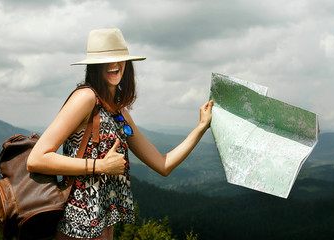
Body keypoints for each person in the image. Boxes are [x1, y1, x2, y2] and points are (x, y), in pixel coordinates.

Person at [27, 28, 213, 240]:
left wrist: (201, 128)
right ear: (94, 66)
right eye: (106, 60)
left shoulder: (119, 112)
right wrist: (100, 166)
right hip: (77, 227)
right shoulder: (85, 98)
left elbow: (163, 165)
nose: (114, 64)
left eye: (119, 58)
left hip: (105, 227)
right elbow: (36, 158)